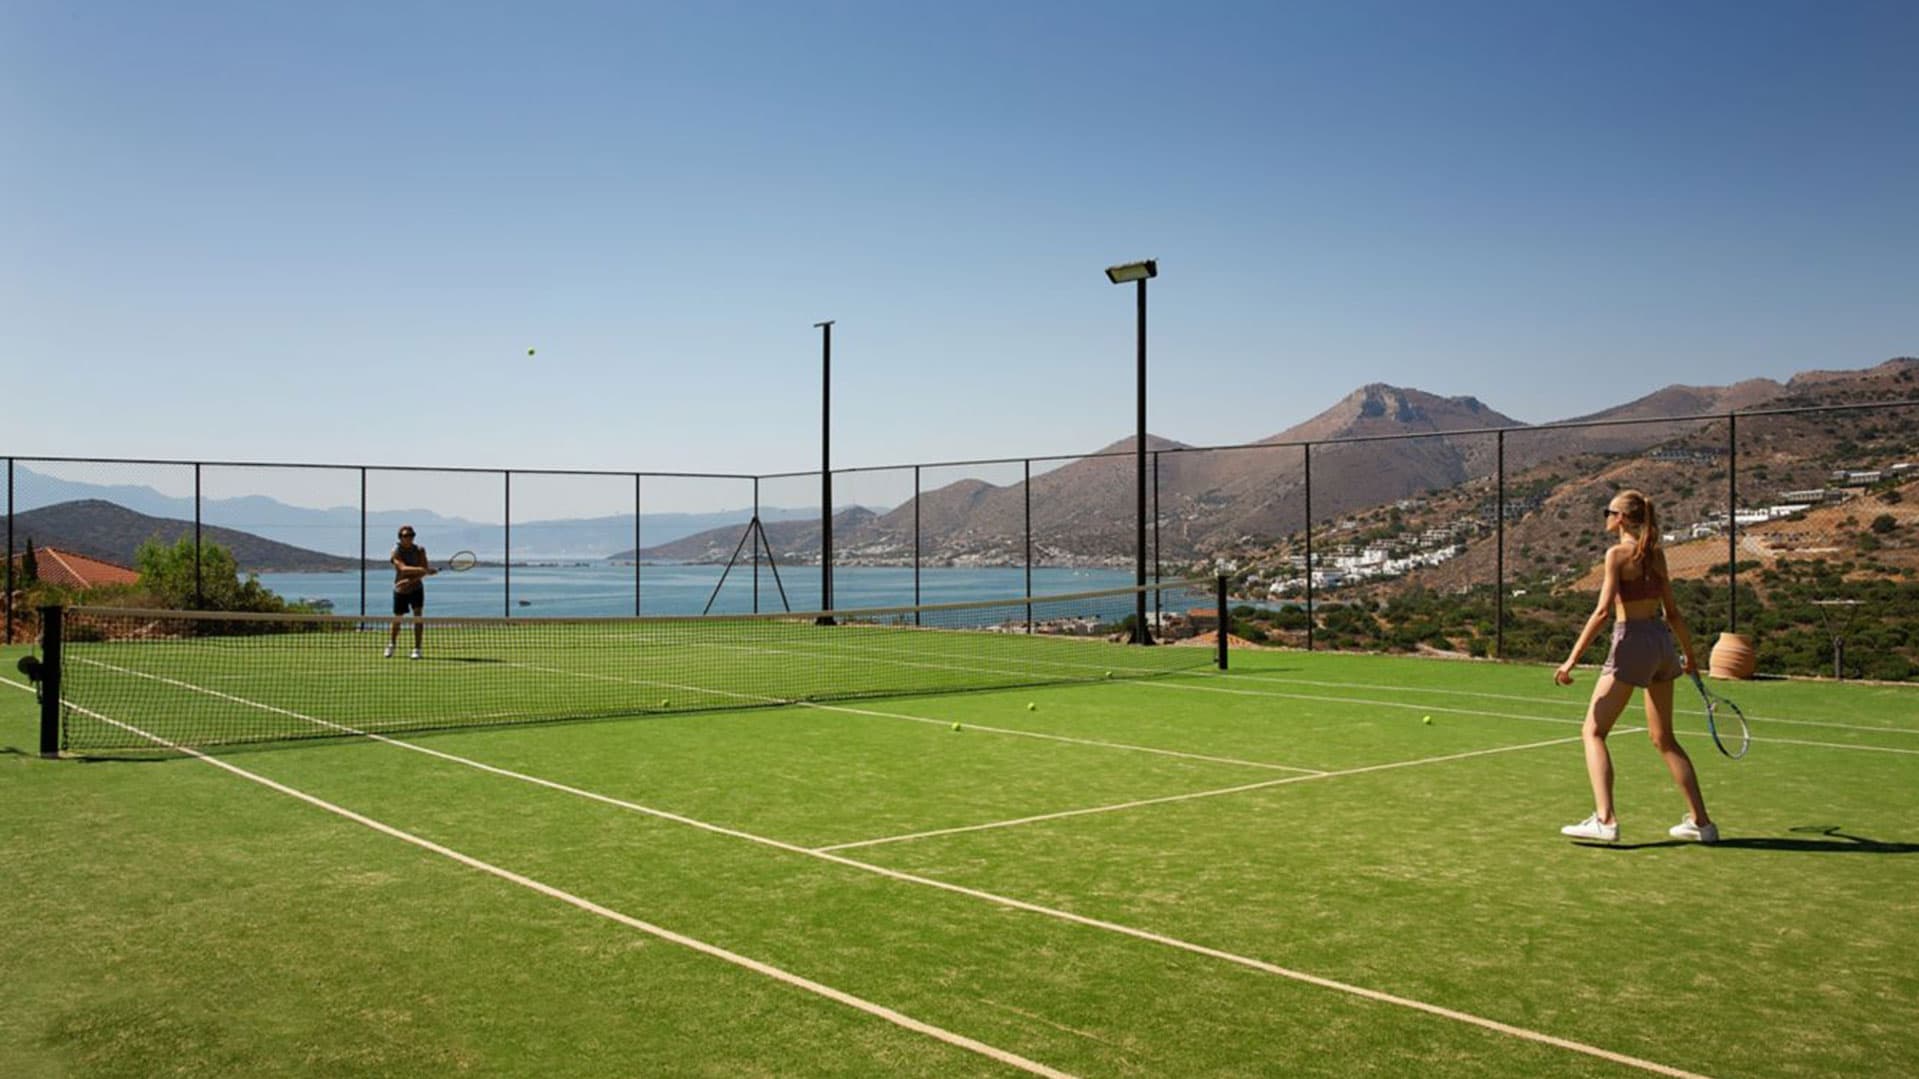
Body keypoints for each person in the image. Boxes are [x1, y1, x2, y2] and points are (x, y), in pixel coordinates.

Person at [1554, 489, 1718, 844]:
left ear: (1622, 519)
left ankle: (1605, 820)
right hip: (1661, 644)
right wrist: (1689, 656)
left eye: (1607, 511)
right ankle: (1702, 824)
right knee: (1664, 738)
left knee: (1593, 732)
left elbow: (1601, 613)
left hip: (1631, 643)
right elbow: (1672, 613)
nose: (1604, 517)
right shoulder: (1657, 556)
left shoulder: (1616, 555)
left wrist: (1570, 661)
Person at [386, 525, 436, 660]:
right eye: (406, 535)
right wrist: (423, 570)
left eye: (411, 535)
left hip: (416, 588)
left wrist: (414, 579)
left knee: (418, 617)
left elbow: (423, 571)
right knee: (398, 618)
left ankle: (417, 649)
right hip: (400, 589)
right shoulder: (395, 551)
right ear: (400, 537)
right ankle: (391, 645)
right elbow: (402, 569)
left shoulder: (420, 550)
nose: (409, 538)